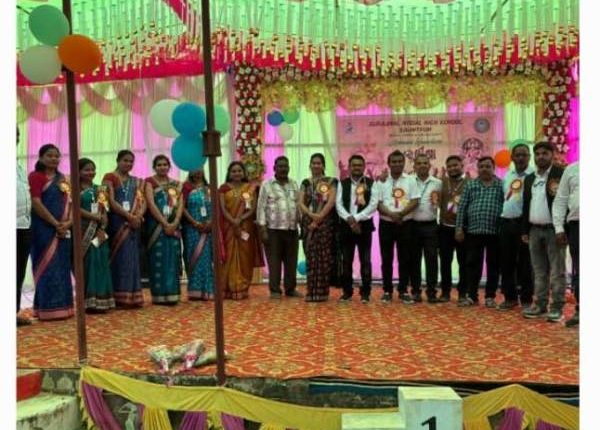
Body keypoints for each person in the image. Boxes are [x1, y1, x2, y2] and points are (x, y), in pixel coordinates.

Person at [28, 144, 74, 320]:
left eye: (56, 156)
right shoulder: (36, 177)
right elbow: (36, 203)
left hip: (63, 229)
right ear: (41, 158)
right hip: (43, 230)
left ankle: (64, 307)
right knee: (46, 267)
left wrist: (68, 223)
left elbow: (72, 204)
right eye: (49, 155)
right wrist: (56, 224)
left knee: (62, 267)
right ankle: (46, 309)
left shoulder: (64, 180)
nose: (54, 159)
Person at [522, 142, 566, 322]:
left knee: (557, 271)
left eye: (544, 153)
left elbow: (566, 203)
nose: (540, 156)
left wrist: (563, 229)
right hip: (534, 230)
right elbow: (526, 205)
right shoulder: (530, 178)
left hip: (555, 231)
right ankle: (540, 304)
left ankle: (557, 307)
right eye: (538, 153)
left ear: (552, 154)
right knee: (539, 270)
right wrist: (525, 230)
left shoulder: (561, 175)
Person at [455, 156, 503, 307]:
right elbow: (462, 208)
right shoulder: (471, 185)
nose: (484, 169)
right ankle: (472, 296)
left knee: (493, 266)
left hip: (495, 232)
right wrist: (459, 228)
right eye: (481, 166)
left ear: (493, 168)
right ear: (478, 169)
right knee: (472, 265)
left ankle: (490, 297)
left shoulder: (501, 185)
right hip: (473, 232)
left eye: (488, 166)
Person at [102, 150, 146, 307]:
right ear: (118, 160)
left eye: (131, 161)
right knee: (119, 258)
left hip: (134, 224)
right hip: (118, 223)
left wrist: (138, 216)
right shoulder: (109, 177)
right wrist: (129, 216)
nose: (128, 164)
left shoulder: (136, 181)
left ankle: (133, 296)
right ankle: (119, 296)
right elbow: (110, 201)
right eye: (125, 160)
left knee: (132, 258)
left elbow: (142, 201)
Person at [257, 156, 302, 299]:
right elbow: (261, 207)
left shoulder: (294, 184)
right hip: (273, 230)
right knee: (274, 261)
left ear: (289, 168)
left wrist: (301, 224)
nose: (283, 169)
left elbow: (298, 206)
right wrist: (262, 229)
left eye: (285, 166)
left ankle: (290, 289)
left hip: (291, 229)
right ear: (274, 168)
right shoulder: (267, 184)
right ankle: (275, 290)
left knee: (291, 261)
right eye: (280, 166)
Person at [377, 150, 419, 304]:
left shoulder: (411, 180)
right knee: (386, 259)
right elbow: (378, 203)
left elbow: (415, 201)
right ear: (389, 164)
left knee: (405, 258)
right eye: (394, 162)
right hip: (386, 224)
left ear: (404, 163)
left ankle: (403, 290)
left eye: (400, 161)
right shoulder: (381, 181)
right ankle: (387, 291)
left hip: (405, 224)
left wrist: (400, 214)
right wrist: (392, 215)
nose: (397, 164)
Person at [336, 154, 379, 303]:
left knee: (365, 261)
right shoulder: (343, 183)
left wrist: (357, 218)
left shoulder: (371, 183)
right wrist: (349, 219)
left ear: (364, 167)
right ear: (349, 167)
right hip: (346, 227)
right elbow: (338, 204)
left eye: (359, 165)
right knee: (346, 261)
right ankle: (347, 292)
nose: (357, 168)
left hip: (364, 227)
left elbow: (373, 205)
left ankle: (365, 293)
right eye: (354, 165)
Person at [496, 144, 535, 311]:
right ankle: (510, 298)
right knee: (506, 262)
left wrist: (527, 226)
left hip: (524, 224)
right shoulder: (507, 176)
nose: (520, 158)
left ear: (529, 157)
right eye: (517, 155)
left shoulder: (534, 175)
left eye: (524, 155)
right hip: (506, 223)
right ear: (512, 158)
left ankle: (526, 298)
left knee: (526, 263)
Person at [218, 161, 263, 300]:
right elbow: (222, 208)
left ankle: (242, 287)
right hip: (228, 227)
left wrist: (240, 219)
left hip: (246, 226)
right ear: (229, 173)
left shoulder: (249, 188)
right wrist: (233, 221)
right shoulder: (223, 188)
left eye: (239, 171)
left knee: (245, 256)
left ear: (244, 173)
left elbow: (253, 208)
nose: (237, 173)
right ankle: (228, 288)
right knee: (228, 256)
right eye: (234, 171)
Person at [298, 153, 338, 302]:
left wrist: (320, 216)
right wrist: (311, 215)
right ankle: (311, 292)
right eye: (313, 163)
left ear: (323, 165)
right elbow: (300, 202)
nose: (316, 165)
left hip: (325, 224)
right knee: (311, 256)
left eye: (319, 163)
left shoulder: (331, 181)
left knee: (323, 257)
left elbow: (331, 201)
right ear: (310, 165)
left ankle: (322, 292)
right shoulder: (305, 182)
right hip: (308, 223)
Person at [144, 155, 183, 305]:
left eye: (165, 164)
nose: (162, 167)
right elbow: (151, 204)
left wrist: (175, 222)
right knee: (158, 259)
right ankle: (159, 295)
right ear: (154, 167)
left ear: (169, 166)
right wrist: (164, 223)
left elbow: (180, 205)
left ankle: (173, 294)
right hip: (156, 227)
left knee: (172, 258)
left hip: (173, 226)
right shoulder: (149, 182)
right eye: (159, 165)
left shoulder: (176, 184)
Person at [78, 158, 115, 312]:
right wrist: (92, 216)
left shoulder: (100, 189)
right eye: (86, 169)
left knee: (101, 262)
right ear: (78, 171)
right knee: (88, 264)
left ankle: (102, 300)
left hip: (99, 231)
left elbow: (104, 209)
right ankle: (89, 302)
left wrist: (103, 226)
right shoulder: (74, 188)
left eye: (93, 169)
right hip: (83, 230)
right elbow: (74, 208)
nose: (90, 172)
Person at [410, 154, 443, 303]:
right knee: (414, 260)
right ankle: (416, 292)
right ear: (414, 166)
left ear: (429, 166)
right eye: (419, 163)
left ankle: (431, 292)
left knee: (432, 260)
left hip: (431, 226)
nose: (422, 165)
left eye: (425, 163)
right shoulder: (409, 181)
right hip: (413, 225)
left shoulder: (438, 183)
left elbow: (442, 203)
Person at [438, 155, 469, 303]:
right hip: (444, 228)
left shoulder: (470, 183)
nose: (452, 168)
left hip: (463, 229)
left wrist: (462, 228)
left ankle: (463, 293)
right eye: (449, 166)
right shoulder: (442, 182)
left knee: (464, 263)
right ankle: (445, 292)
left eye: (455, 165)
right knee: (445, 262)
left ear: (462, 165)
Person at [552, 161, 579, 327]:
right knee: (580, 270)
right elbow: (561, 200)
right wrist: (559, 227)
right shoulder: (572, 169)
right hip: (577, 225)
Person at [182, 169, 215, 301]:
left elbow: (215, 206)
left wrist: (210, 222)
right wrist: (194, 223)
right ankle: (194, 290)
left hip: (208, 229)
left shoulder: (209, 188)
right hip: (192, 229)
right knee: (194, 257)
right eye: (194, 170)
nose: (197, 173)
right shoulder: (186, 188)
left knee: (206, 258)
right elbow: (182, 208)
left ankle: (208, 290)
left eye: (199, 170)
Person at [16, 127, 32, 326]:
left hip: (24, 225)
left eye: (17, 135)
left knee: (17, 272)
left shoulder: (18, 165)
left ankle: (13, 312)